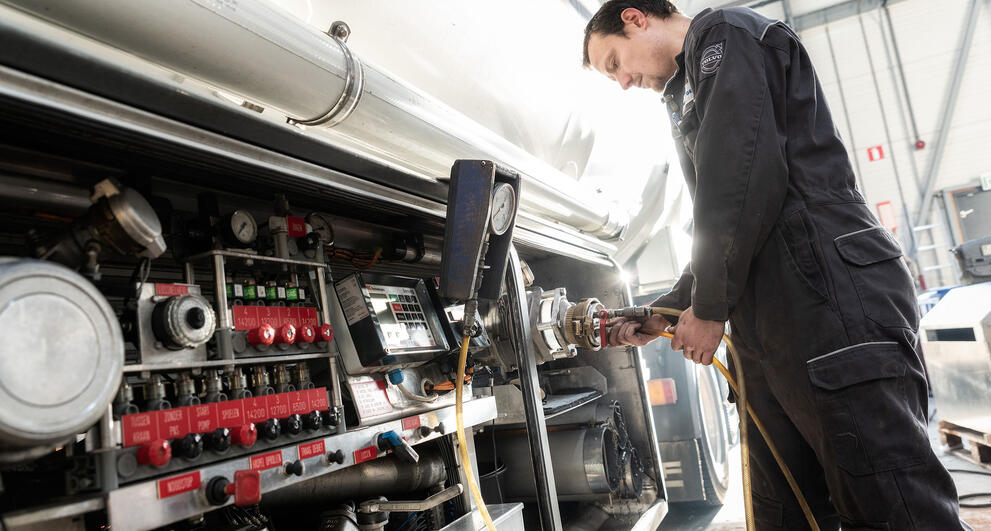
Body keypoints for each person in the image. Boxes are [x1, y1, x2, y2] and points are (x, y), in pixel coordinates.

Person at [583, 2, 967, 529]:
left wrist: (711, 307)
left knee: (888, 497)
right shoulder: (686, 89)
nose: (623, 82)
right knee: (789, 506)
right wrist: (665, 313)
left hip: (830, 294)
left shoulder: (725, 34)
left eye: (614, 63)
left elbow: (741, 177)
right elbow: (720, 217)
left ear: (635, 18)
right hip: (773, 319)